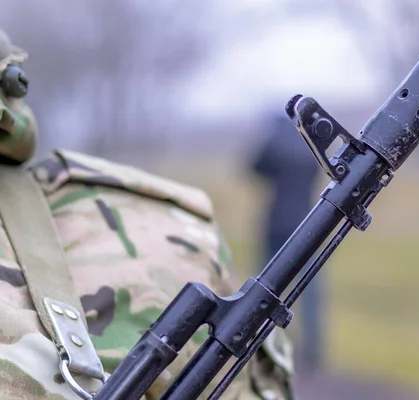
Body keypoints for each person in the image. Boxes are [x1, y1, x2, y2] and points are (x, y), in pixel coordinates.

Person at [0, 29, 294, 400]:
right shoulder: (165, 228)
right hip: (284, 214)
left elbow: (257, 168)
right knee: (294, 292)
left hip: (276, 218)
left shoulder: (159, 229)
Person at [250, 113, 323, 371]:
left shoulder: (274, 146)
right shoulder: (308, 148)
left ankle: (267, 346)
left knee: (267, 290)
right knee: (311, 290)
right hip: (308, 225)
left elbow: (254, 168)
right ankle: (314, 351)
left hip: (277, 223)